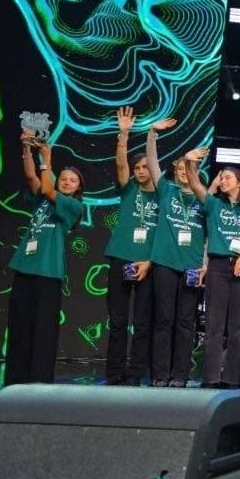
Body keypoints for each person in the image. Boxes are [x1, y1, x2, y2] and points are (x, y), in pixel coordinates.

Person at [5, 131, 84, 385]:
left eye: (72, 180)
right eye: (64, 178)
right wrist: (27, 148)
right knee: (19, 326)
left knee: (43, 330)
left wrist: (46, 157)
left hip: (48, 272)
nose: (67, 182)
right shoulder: (43, 199)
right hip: (25, 267)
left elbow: (48, 187)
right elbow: (32, 177)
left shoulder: (73, 206)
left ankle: (39, 382)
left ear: (78, 188)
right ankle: (15, 380)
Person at [185, 150, 240, 388]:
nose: (222, 181)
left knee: (237, 327)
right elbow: (195, 185)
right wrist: (189, 163)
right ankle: (212, 378)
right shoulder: (214, 204)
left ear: (239, 182)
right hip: (218, 266)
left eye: (227, 177)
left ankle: (233, 377)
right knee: (214, 325)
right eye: (221, 177)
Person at [145, 118, 205, 387]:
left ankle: (180, 375)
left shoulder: (204, 198)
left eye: (187, 168)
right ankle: (160, 374)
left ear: (195, 170)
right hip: (165, 264)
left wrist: (205, 265)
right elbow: (152, 162)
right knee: (164, 320)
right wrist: (152, 134)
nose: (183, 172)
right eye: (180, 168)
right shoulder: (166, 190)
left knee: (185, 322)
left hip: (191, 267)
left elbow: (210, 237)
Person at [103, 106, 157, 386]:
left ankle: (136, 372)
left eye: (145, 167)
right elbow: (121, 165)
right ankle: (114, 372)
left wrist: (150, 262)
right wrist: (123, 134)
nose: (140, 171)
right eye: (137, 168)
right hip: (120, 257)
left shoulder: (163, 195)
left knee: (143, 322)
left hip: (147, 263)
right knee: (118, 321)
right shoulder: (129, 189)